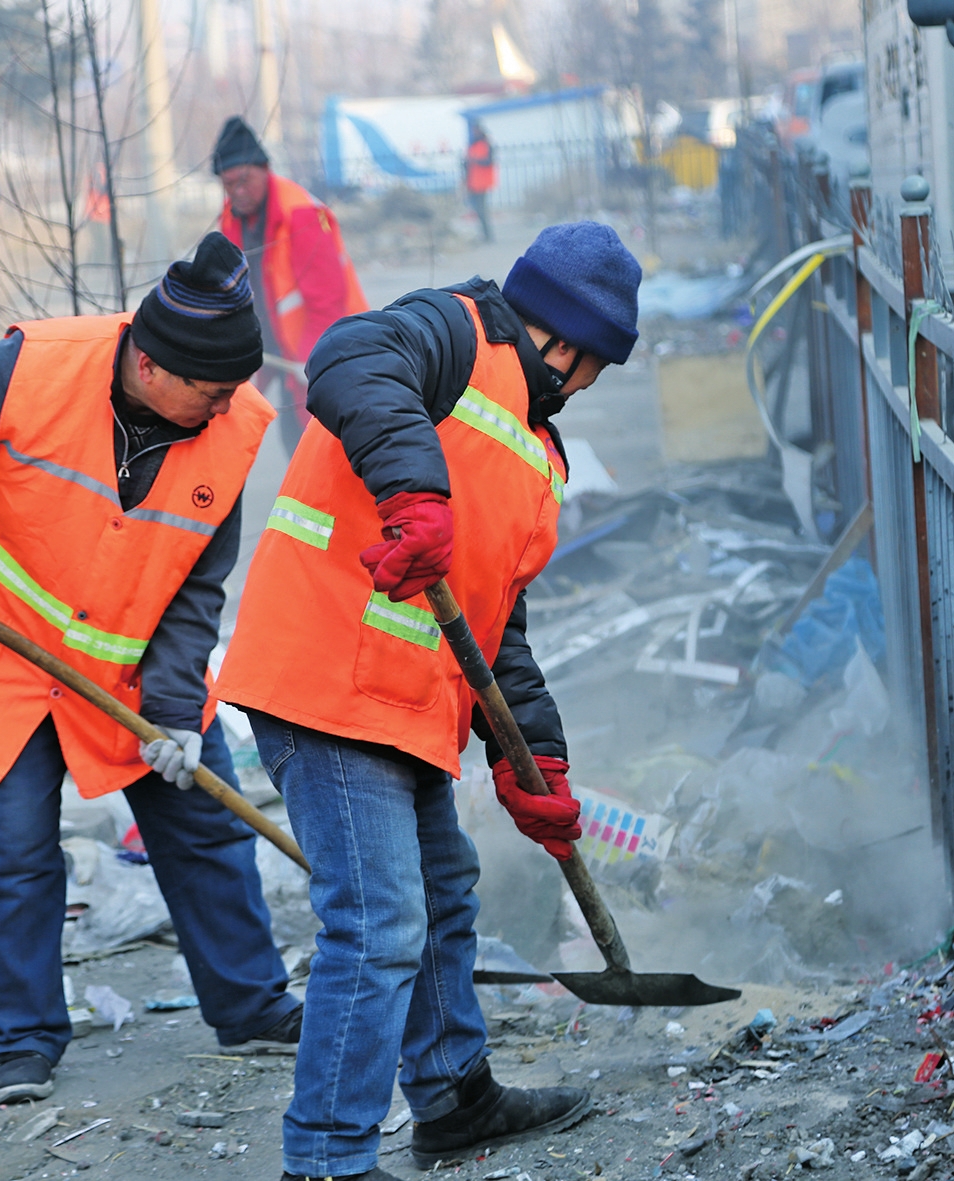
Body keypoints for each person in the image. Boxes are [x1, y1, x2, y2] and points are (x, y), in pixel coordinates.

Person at [218, 221, 643, 1181]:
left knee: (444, 892)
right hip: (323, 678)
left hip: (403, 702)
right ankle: (326, 1158)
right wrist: (415, 489)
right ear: (565, 341)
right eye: (592, 366)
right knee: (377, 924)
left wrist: (533, 758)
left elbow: (501, 626)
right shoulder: (451, 331)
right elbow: (345, 355)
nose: (585, 387)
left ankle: (453, 1093)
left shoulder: (540, 456)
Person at [0, 233, 302, 1105]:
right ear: (152, 362)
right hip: (6, 654)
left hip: (132, 669)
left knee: (205, 829)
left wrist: (176, 710)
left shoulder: (234, 424)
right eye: (211, 390)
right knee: (13, 854)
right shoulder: (35, 365)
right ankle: (21, 1039)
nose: (224, 407)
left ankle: (251, 1007)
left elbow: (195, 578)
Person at [214, 116, 369, 454]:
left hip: (323, 352)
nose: (237, 192)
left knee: (319, 448)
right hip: (275, 353)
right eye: (228, 185)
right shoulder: (232, 216)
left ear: (264, 169)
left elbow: (327, 302)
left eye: (244, 181)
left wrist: (312, 360)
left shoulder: (300, 216)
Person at [464, 122, 497, 243]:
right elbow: (466, 165)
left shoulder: (486, 145)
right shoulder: (472, 146)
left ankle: (488, 235)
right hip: (473, 182)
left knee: (481, 209)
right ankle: (484, 234)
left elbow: (489, 161)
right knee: (477, 210)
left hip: (483, 182)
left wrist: (476, 160)